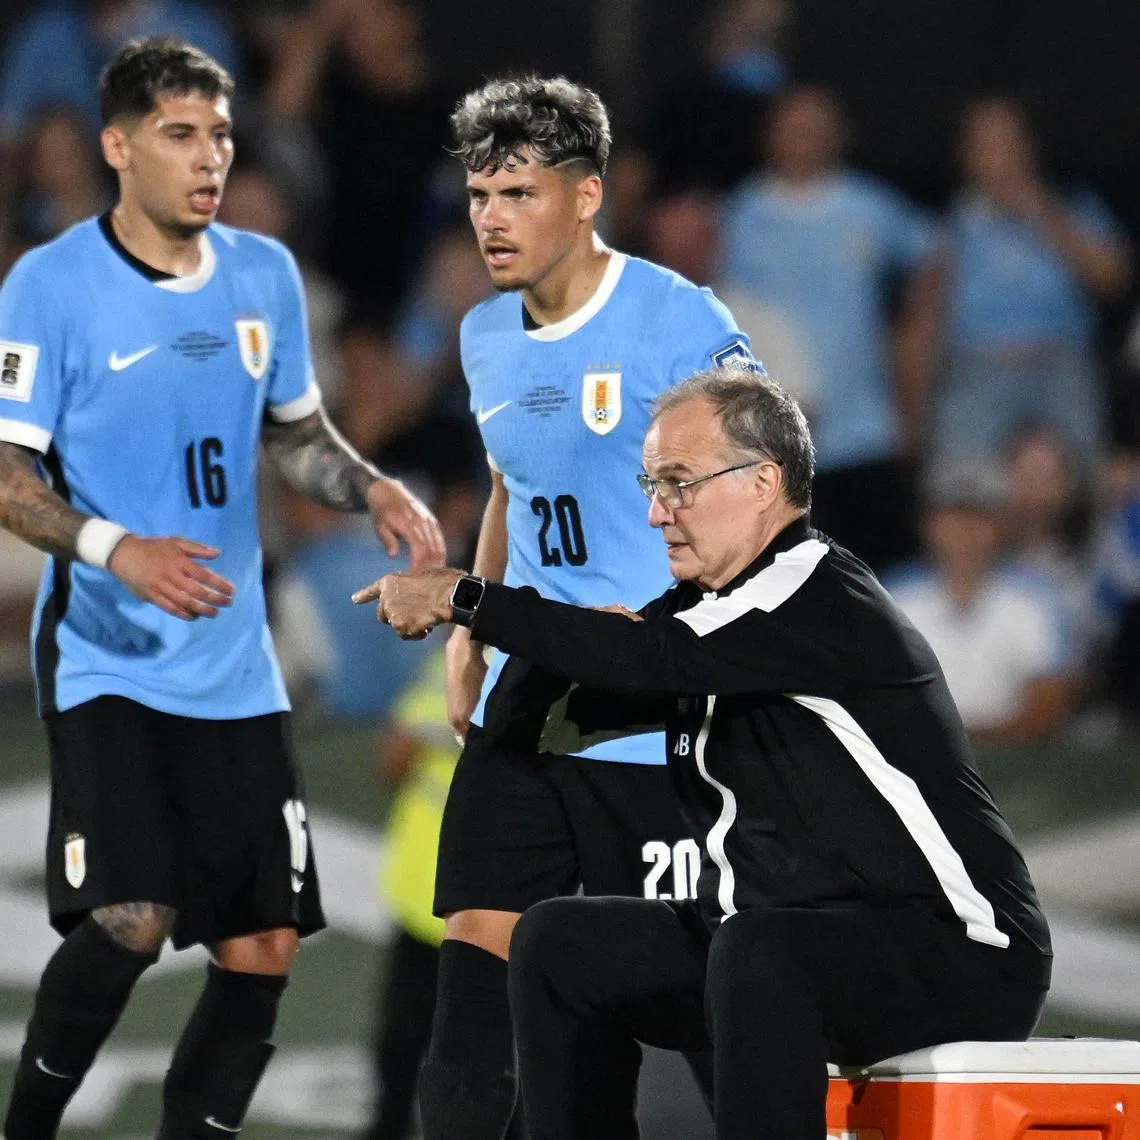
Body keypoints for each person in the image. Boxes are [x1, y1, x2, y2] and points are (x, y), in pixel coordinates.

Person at [355, 368, 1052, 1140]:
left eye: (679, 483)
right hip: (793, 939)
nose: (656, 513)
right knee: (558, 943)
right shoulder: (701, 617)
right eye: (652, 485)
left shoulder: (814, 592)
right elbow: (557, 713)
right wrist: (545, 652)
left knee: (758, 943)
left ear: (762, 482)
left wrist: (467, 599)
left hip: (959, 947)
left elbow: (646, 660)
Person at [0, 36, 442, 1140]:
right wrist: (118, 550)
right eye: (180, 135)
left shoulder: (264, 275)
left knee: (264, 950)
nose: (209, 159)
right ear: (117, 146)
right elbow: (9, 477)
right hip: (110, 650)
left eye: (222, 136)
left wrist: (366, 484)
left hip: (234, 664)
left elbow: (293, 434)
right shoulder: (50, 285)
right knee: (133, 919)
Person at [410, 75, 762, 1139]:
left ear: (586, 195)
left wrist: (683, 623)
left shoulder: (676, 319)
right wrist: (477, 628)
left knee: (710, 1015)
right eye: (478, 194)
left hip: (651, 706)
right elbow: (511, 483)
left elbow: (765, 482)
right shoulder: (483, 337)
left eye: (517, 192)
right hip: (535, 688)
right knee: (477, 965)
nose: (491, 218)